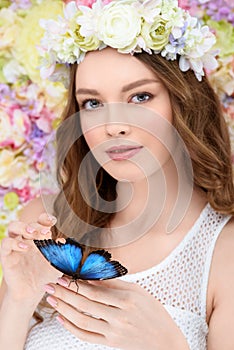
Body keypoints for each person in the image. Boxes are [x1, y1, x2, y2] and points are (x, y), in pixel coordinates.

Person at [0, 1, 234, 349]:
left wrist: (169, 344)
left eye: (140, 96)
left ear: (183, 102)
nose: (114, 126)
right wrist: (19, 301)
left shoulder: (224, 253)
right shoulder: (43, 225)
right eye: (92, 103)